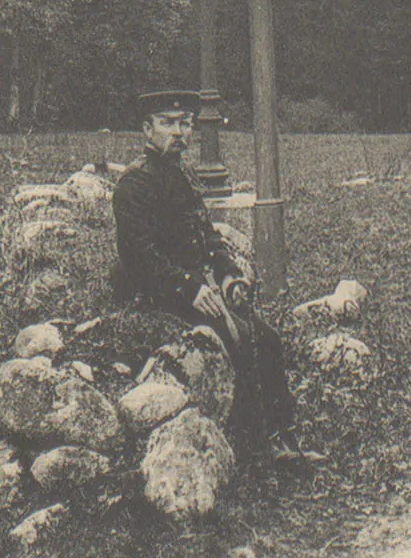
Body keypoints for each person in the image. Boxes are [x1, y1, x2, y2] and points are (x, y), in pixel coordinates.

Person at [112, 89, 315, 460]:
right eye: (167, 123)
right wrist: (189, 288)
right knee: (230, 341)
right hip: (157, 293)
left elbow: (205, 235)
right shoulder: (134, 184)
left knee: (265, 338)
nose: (179, 132)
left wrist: (228, 275)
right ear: (147, 130)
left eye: (185, 124)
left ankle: (285, 437)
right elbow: (140, 257)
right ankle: (256, 448)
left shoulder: (183, 176)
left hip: (196, 288)